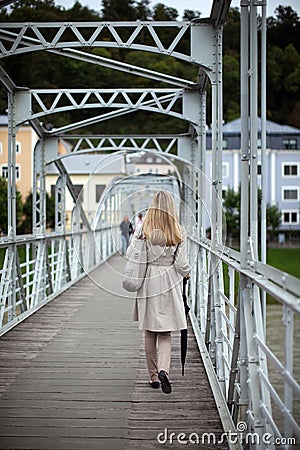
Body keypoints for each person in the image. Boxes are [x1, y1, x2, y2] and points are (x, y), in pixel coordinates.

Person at [130, 190, 191, 394]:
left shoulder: (142, 228)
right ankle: (165, 370)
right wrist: (188, 274)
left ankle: (154, 377)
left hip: (149, 279)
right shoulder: (178, 230)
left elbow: (132, 255)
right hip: (169, 280)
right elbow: (181, 264)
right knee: (165, 332)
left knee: (150, 331)